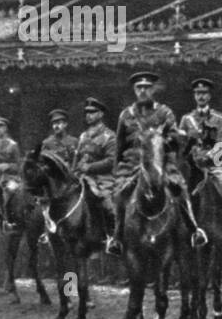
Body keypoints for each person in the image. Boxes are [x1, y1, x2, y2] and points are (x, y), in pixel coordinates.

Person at [110, 71, 206, 257]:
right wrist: (116, 171)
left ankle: (194, 230)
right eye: (139, 88)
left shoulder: (165, 112)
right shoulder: (126, 115)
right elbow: (120, 146)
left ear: (153, 89)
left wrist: (160, 142)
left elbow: (176, 138)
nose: (143, 91)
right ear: (134, 90)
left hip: (161, 163)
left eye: (147, 87)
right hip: (132, 165)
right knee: (118, 194)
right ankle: (117, 237)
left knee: (180, 188)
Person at [178, 78, 222, 233]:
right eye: (197, 93)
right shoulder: (186, 119)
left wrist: (209, 155)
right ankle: (188, 227)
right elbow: (180, 144)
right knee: (178, 191)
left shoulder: (218, 118)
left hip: (214, 162)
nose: (201, 97)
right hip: (193, 164)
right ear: (194, 96)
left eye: (204, 93)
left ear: (209, 96)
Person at [72, 97, 117, 241]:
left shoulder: (109, 137)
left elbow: (111, 161)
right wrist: (74, 172)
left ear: (101, 114)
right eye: (86, 113)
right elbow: (77, 158)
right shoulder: (83, 136)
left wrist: (89, 167)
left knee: (107, 205)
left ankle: (112, 237)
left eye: (92, 112)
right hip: (82, 177)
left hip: (102, 179)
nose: (88, 115)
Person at [0, 117, 24, 226]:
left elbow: (20, 166)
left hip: (10, 178)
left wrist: (7, 166)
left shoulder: (12, 145)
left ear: (5, 128)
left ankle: (8, 220)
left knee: (9, 191)